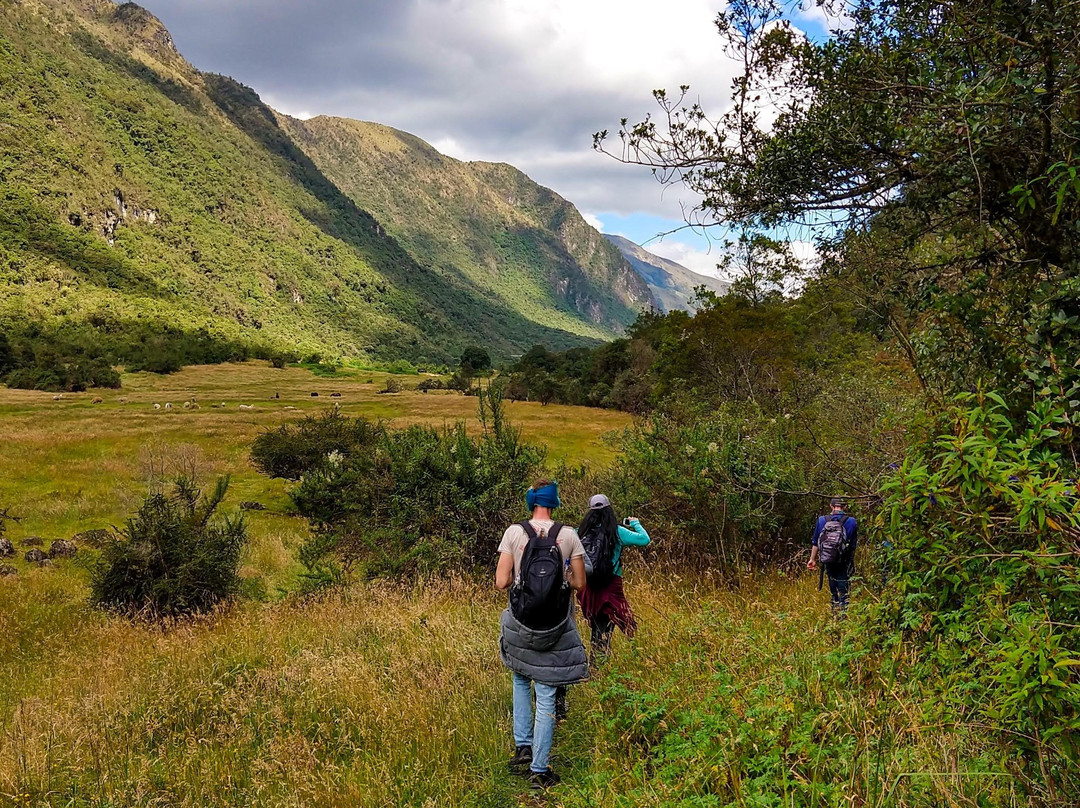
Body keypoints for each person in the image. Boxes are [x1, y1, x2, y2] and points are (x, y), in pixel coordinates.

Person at [495, 479, 588, 788]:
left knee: (520, 678)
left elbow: (501, 582)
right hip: (555, 627)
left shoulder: (514, 532)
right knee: (546, 694)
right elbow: (579, 585)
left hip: (520, 625)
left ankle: (523, 746)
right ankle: (539, 770)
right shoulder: (569, 535)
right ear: (555, 502)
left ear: (532, 501)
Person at [577, 494, 651, 663]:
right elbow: (644, 539)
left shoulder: (581, 532)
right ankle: (637, 659)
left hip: (590, 586)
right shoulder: (617, 531)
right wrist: (635, 523)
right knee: (627, 624)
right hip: (611, 585)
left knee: (597, 626)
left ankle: (596, 664)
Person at [807, 497, 858, 611]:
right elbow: (853, 545)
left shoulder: (822, 520)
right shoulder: (851, 521)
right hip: (844, 560)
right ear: (845, 507)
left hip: (828, 558)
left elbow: (816, 542)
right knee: (843, 583)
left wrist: (812, 559)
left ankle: (834, 608)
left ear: (831, 506)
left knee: (832, 582)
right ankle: (844, 611)